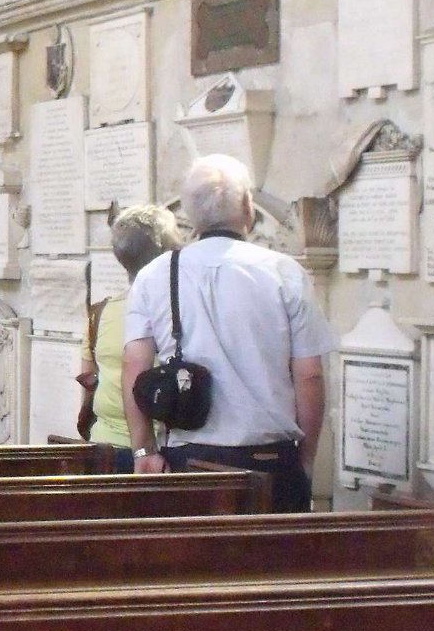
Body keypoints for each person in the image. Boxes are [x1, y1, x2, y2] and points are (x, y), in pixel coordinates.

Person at [123, 154, 331, 512]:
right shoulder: (285, 272)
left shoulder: (156, 275)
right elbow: (309, 375)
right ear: (248, 207)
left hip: (186, 459)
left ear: (189, 215)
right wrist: (306, 457)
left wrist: (143, 449)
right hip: (270, 459)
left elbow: (134, 366)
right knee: (276, 565)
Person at [75, 204, 181, 469]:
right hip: (155, 453)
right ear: (168, 252)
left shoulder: (99, 313)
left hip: (101, 446)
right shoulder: (174, 311)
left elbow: (88, 381)